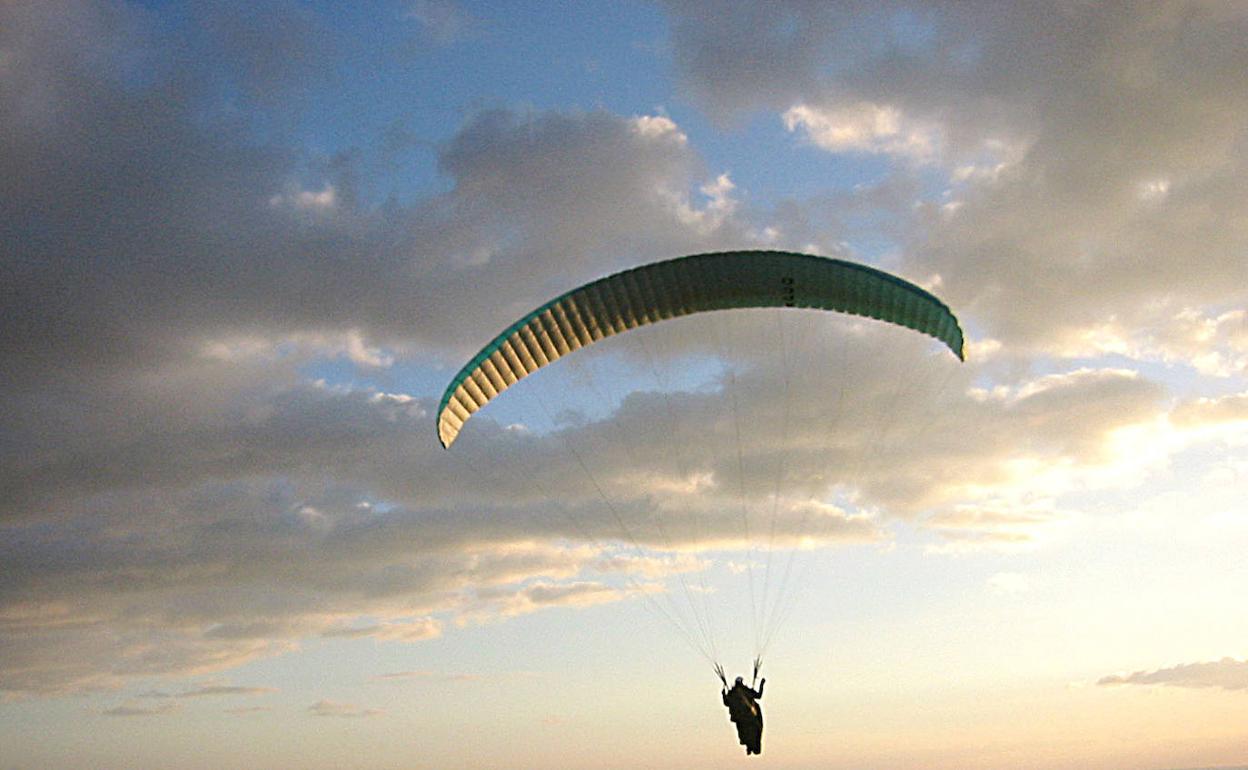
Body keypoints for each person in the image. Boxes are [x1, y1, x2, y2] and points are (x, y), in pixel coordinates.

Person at [722, 675, 765, 755]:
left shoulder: (732, 694)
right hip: (749, 718)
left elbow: (726, 703)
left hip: (740, 719)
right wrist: (762, 684)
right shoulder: (746, 691)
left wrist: (723, 694)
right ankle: (751, 746)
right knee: (755, 731)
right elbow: (759, 695)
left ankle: (749, 746)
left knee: (745, 734)